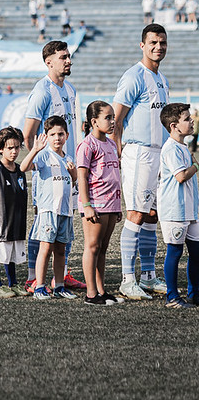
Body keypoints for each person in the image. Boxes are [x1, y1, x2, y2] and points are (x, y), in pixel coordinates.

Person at [112, 23, 170, 299]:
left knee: (151, 215)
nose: (158, 47)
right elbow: (115, 119)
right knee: (135, 213)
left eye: (162, 43)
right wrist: (119, 152)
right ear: (142, 45)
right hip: (139, 153)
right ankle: (127, 279)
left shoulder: (162, 79)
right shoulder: (134, 76)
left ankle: (148, 276)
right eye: (153, 43)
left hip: (160, 154)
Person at [22, 40, 83, 291]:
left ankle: (63, 274)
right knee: (42, 224)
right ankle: (32, 278)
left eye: (69, 57)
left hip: (68, 170)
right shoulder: (42, 91)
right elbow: (28, 134)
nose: (68, 61)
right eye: (63, 57)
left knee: (64, 221)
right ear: (49, 62)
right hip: (48, 170)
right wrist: (42, 162)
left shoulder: (70, 89)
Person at [20, 117, 78, 300]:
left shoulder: (68, 159)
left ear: (67, 135)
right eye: (52, 134)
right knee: (45, 248)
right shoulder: (44, 155)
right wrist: (35, 150)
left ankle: (59, 286)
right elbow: (23, 167)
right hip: (48, 211)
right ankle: (40, 287)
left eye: (60, 134)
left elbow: (73, 183)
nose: (57, 138)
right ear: (46, 136)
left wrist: (73, 174)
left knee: (61, 250)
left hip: (65, 211)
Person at [77, 100, 122, 305]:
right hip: (95, 203)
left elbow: (113, 174)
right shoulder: (87, 145)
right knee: (92, 246)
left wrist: (118, 205)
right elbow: (82, 176)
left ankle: (102, 291)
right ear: (94, 121)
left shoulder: (111, 143)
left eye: (113, 117)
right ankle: (91, 294)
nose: (113, 121)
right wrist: (87, 205)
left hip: (111, 203)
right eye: (108, 117)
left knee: (103, 248)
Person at [157, 103, 199, 308]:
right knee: (175, 251)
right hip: (175, 209)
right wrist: (196, 165)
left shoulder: (182, 146)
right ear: (174, 125)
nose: (191, 121)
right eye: (186, 119)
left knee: (196, 251)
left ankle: (195, 293)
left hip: (190, 209)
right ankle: (172, 296)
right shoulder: (171, 148)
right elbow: (181, 176)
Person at [0, 127, 29, 298]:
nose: (14, 151)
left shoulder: (19, 170)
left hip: (16, 221)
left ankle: (13, 284)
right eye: (10, 148)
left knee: (11, 254)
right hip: (1, 223)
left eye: (17, 147)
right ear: (0, 149)